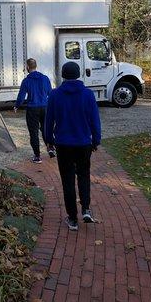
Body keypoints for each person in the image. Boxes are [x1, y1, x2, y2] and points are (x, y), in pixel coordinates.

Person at [45, 62, 101, 231]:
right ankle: (85, 208)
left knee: (68, 180)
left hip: (63, 144)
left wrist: (49, 139)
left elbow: (49, 120)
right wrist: (96, 140)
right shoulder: (88, 95)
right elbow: (94, 120)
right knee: (84, 175)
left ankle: (72, 219)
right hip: (84, 143)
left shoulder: (55, 95)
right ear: (78, 74)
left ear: (63, 75)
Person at [14, 58, 55, 164]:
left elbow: (21, 96)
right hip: (45, 107)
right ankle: (50, 148)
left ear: (28, 67)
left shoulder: (26, 81)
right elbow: (50, 93)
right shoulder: (45, 78)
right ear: (36, 66)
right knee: (46, 129)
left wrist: (17, 106)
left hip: (32, 109)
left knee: (34, 132)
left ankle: (37, 156)